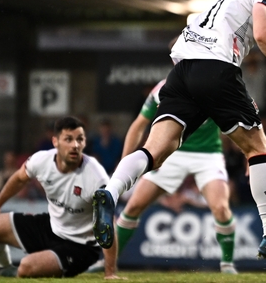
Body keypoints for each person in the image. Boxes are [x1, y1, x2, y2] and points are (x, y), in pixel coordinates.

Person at [93, 0, 266, 268]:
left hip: (182, 71)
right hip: (216, 68)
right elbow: (263, 32)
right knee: (259, 147)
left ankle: (112, 192)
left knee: (158, 148)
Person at [86, 77, 238, 274]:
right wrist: (125, 166)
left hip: (208, 155)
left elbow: (240, 121)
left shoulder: (216, 84)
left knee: (221, 208)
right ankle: (107, 264)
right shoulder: (163, 89)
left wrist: (251, 156)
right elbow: (139, 124)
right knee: (133, 206)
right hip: (171, 153)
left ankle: (227, 265)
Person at [0, 117, 117, 278]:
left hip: (80, 246)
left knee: (26, 267)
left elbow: (108, 224)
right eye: (68, 139)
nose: (75, 145)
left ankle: (27, 269)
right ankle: (1, 265)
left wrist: (110, 272)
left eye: (79, 139)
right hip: (51, 227)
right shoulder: (41, 160)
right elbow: (18, 179)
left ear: (84, 143)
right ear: (55, 141)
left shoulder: (96, 176)